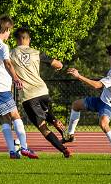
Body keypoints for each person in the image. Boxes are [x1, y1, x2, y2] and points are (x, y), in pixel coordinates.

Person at [0, 15, 38, 159]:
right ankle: (24, 147)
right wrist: (16, 78)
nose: (10, 34)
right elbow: (8, 63)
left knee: (5, 118)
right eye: (10, 31)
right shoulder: (2, 45)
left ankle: (12, 151)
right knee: (15, 115)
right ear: (7, 29)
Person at [10, 27, 71, 158]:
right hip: (42, 91)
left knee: (43, 128)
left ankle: (64, 150)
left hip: (28, 96)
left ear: (17, 39)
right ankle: (64, 131)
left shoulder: (11, 54)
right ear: (28, 39)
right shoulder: (36, 52)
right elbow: (58, 64)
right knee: (49, 115)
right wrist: (58, 67)